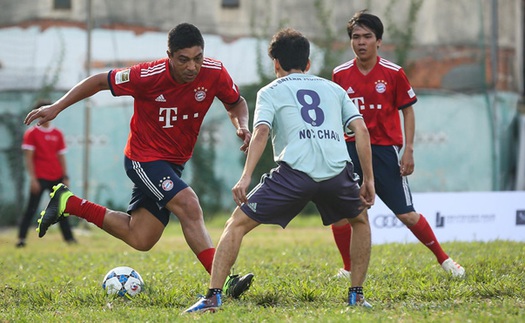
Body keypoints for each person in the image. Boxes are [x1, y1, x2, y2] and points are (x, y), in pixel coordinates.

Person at [23, 23, 254, 298]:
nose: (192, 67)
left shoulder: (214, 72)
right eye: (183, 60)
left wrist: (242, 125)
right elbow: (98, 81)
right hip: (143, 159)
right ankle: (224, 282)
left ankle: (70, 203)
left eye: (197, 58)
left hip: (173, 164)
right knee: (189, 205)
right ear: (169, 55)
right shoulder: (146, 75)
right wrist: (57, 107)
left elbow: (236, 102)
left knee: (141, 238)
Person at [184, 27, 375, 314]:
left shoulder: (270, 90)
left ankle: (212, 297)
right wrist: (368, 179)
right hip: (338, 173)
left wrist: (245, 177)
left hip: (294, 175)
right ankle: (356, 297)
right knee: (359, 222)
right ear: (308, 64)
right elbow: (361, 130)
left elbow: (261, 132)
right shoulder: (335, 89)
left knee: (236, 224)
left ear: (275, 64)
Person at [330, 10, 465, 279]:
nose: (361, 42)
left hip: (384, 152)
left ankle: (446, 261)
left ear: (378, 41)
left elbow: (408, 110)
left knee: (406, 214)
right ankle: (348, 268)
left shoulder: (393, 73)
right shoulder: (340, 74)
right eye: (356, 37)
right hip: (350, 150)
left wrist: (409, 150)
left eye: (367, 36)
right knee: (342, 214)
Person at [17, 100, 77, 248]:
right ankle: (21, 239)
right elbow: (28, 158)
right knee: (31, 208)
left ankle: (69, 239)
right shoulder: (31, 134)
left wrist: (65, 176)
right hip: (39, 178)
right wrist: (33, 179)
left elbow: (61, 156)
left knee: (62, 209)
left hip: (57, 177)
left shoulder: (58, 134)